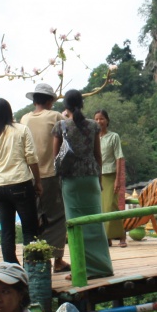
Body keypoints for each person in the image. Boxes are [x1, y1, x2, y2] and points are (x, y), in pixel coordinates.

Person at [53, 90, 112, 278]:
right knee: (95, 223)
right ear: (82, 104)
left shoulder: (61, 126)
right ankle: (102, 267)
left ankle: (81, 269)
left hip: (71, 181)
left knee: (75, 226)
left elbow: (56, 159)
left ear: (66, 106)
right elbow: (98, 156)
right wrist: (99, 180)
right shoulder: (93, 125)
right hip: (91, 179)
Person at [0, 98, 42, 264]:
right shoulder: (21, 130)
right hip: (21, 183)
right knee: (30, 229)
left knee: (7, 231)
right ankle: (31, 267)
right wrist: (38, 182)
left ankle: (11, 269)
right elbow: (31, 158)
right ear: (9, 112)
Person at [22, 83, 69, 271]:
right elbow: (67, 141)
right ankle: (57, 260)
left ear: (34, 100)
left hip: (28, 176)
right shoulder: (55, 116)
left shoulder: (24, 119)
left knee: (35, 217)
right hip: (49, 174)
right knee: (56, 216)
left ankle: (36, 259)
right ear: (50, 101)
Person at [95, 109, 127, 247]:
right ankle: (107, 237)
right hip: (97, 176)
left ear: (107, 120)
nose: (99, 121)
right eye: (96, 119)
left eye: (101, 118)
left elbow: (119, 157)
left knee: (111, 206)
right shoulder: (93, 137)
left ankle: (121, 236)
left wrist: (118, 180)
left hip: (110, 175)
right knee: (101, 207)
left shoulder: (114, 137)